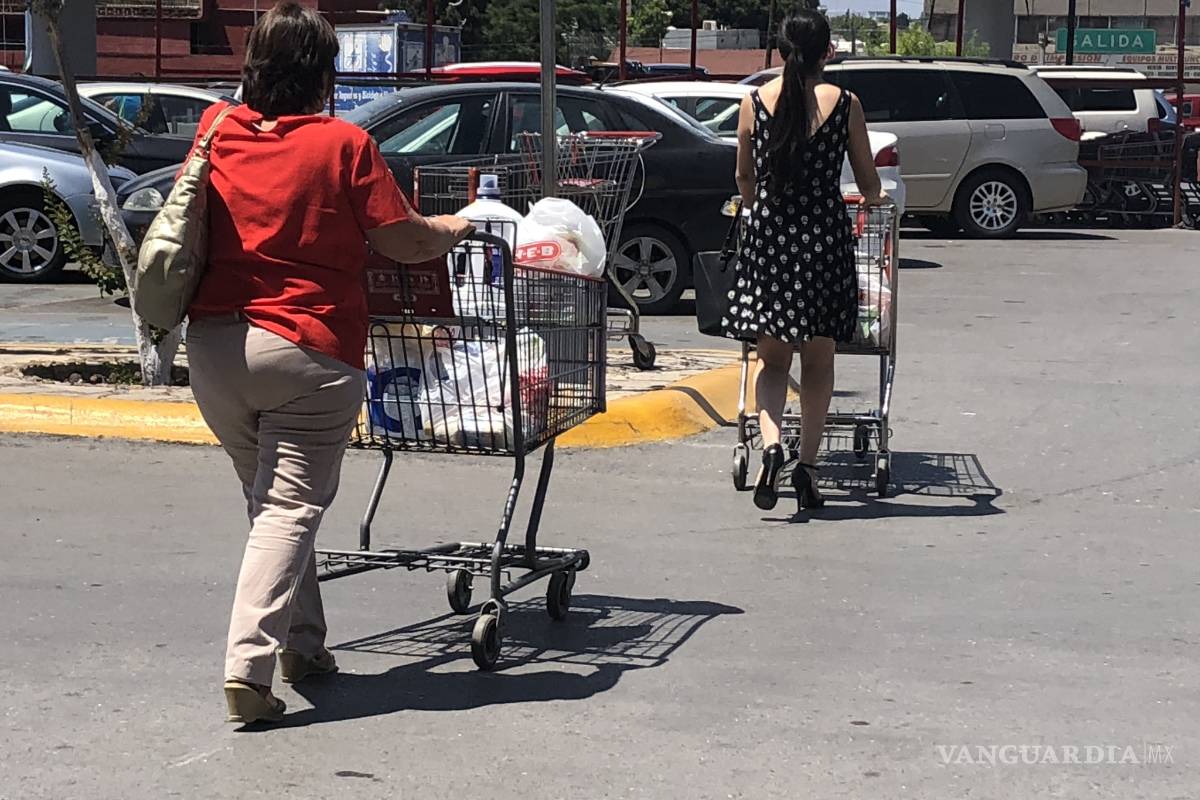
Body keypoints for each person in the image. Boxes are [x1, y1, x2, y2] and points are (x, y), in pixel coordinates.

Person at [182, 2, 473, 724]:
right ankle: (248, 668)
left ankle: (304, 646)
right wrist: (458, 228)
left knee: (270, 504)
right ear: (323, 73)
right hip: (308, 352)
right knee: (287, 507)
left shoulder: (215, 131)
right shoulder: (343, 145)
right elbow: (402, 240)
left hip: (216, 348)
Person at [722, 9, 885, 513]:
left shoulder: (754, 101)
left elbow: (744, 179)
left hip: (770, 241)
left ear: (780, 51)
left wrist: (759, 205)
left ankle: (771, 445)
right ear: (826, 51)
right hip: (824, 241)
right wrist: (874, 198)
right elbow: (868, 180)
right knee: (819, 361)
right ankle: (807, 465)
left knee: (772, 362)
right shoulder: (846, 104)